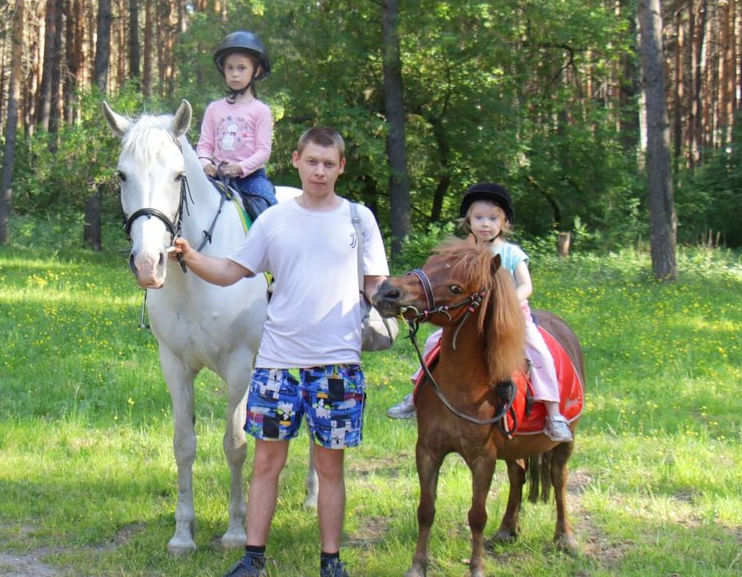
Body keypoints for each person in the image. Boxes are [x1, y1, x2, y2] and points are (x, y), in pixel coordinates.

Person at [170, 127, 388, 577]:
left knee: (330, 467)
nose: (320, 172)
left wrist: (405, 300)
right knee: (267, 462)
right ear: (296, 161)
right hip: (277, 366)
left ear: (341, 167)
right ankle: (253, 560)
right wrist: (190, 257)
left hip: (337, 366)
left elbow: (376, 288)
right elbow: (232, 270)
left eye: (329, 164)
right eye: (312, 162)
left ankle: (331, 562)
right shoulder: (273, 221)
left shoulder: (358, 219)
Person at [385, 182, 572, 443]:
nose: (486, 224)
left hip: (511, 316)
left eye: (493, 218)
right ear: (468, 221)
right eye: (479, 217)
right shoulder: (464, 254)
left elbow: (526, 286)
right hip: (471, 317)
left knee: (539, 351)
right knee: (432, 342)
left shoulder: (510, 253)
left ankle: (553, 412)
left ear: (504, 222)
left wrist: (507, 302)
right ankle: (416, 393)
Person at [195, 30, 278, 220]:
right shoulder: (214, 109)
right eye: (229, 68)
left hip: (250, 178)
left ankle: (272, 248)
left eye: (241, 68)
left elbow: (263, 152)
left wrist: (240, 167)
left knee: (269, 211)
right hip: (216, 176)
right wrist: (205, 163)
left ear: (256, 71)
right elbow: (205, 145)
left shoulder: (261, 110)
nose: (234, 74)